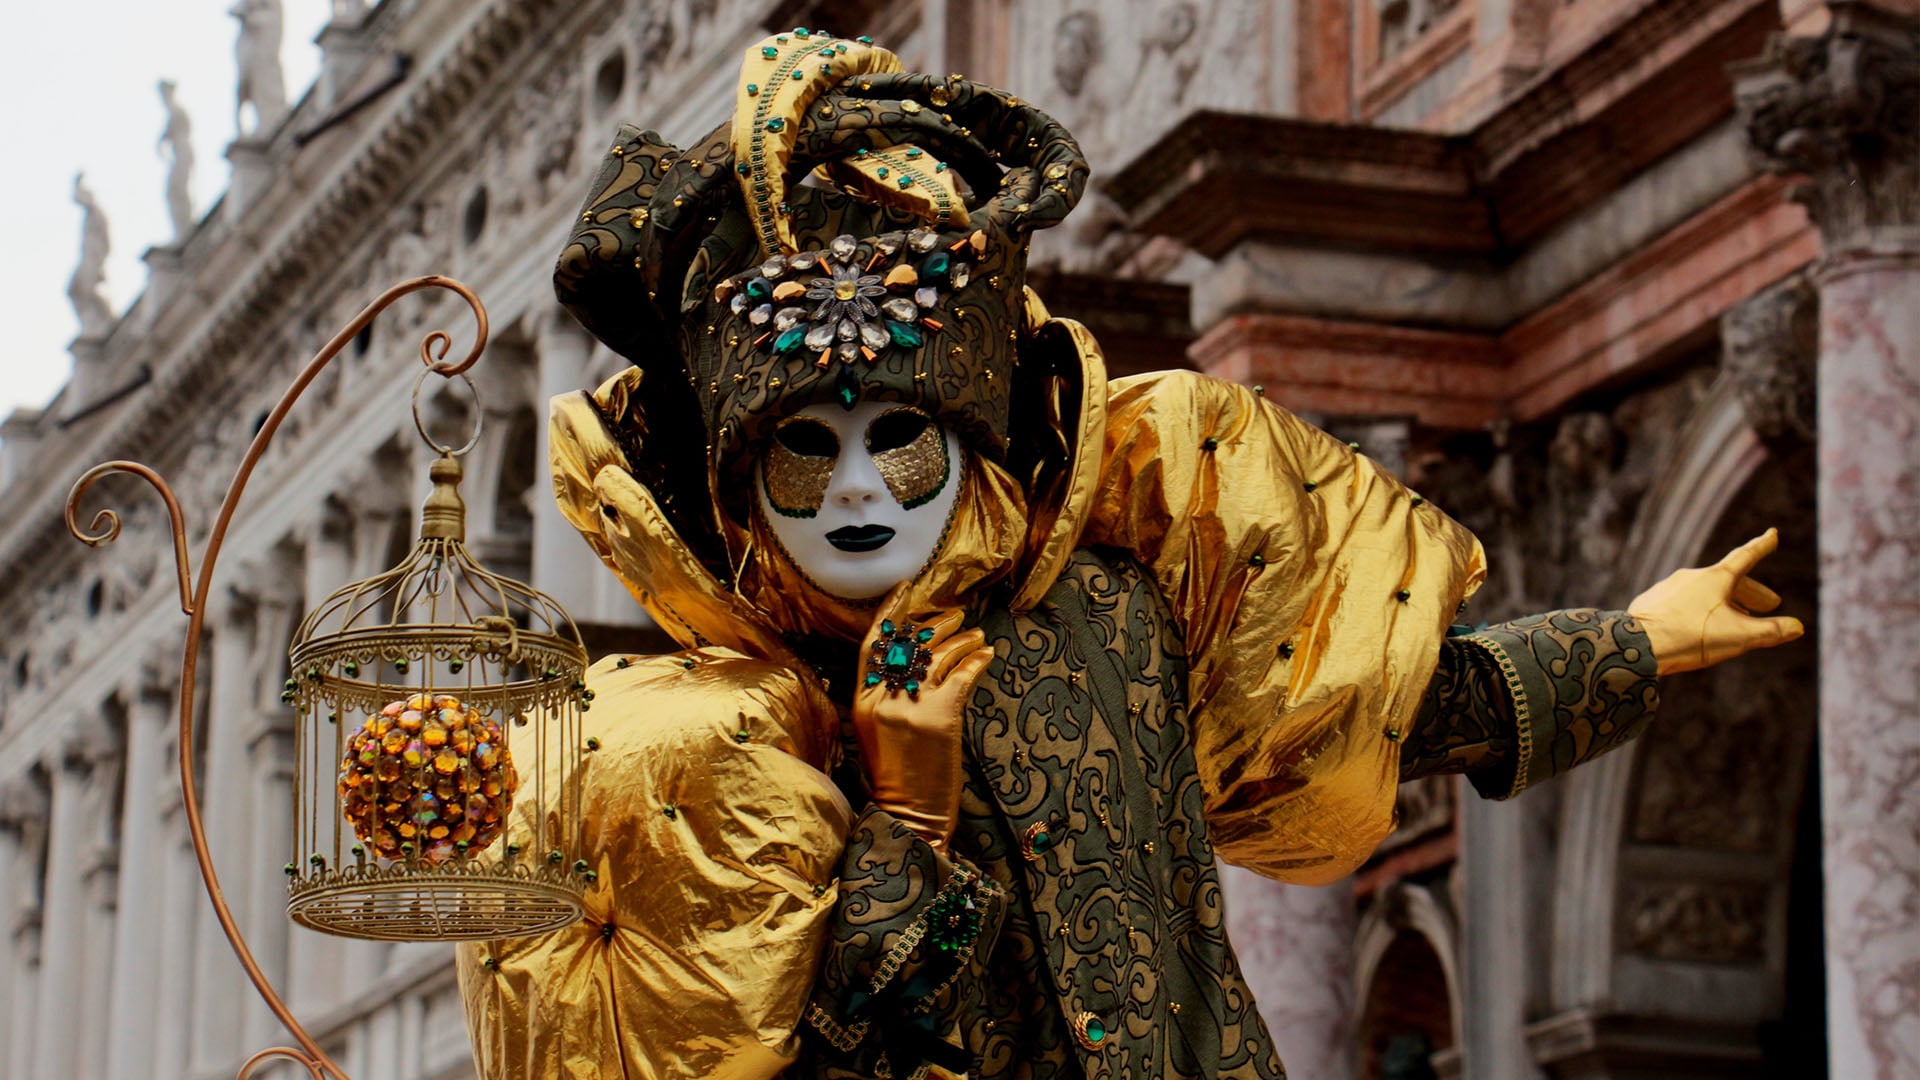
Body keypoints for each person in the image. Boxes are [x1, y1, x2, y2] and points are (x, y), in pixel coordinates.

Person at [457, 32, 1800, 1080]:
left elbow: (1373, 706)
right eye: (806, 448)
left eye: (901, 439)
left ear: (974, 440)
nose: (860, 485)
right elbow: (842, 1041)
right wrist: (907, 808)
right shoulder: (724, 727)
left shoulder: (1112, 600)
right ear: (745, 486)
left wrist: (1635, 643)